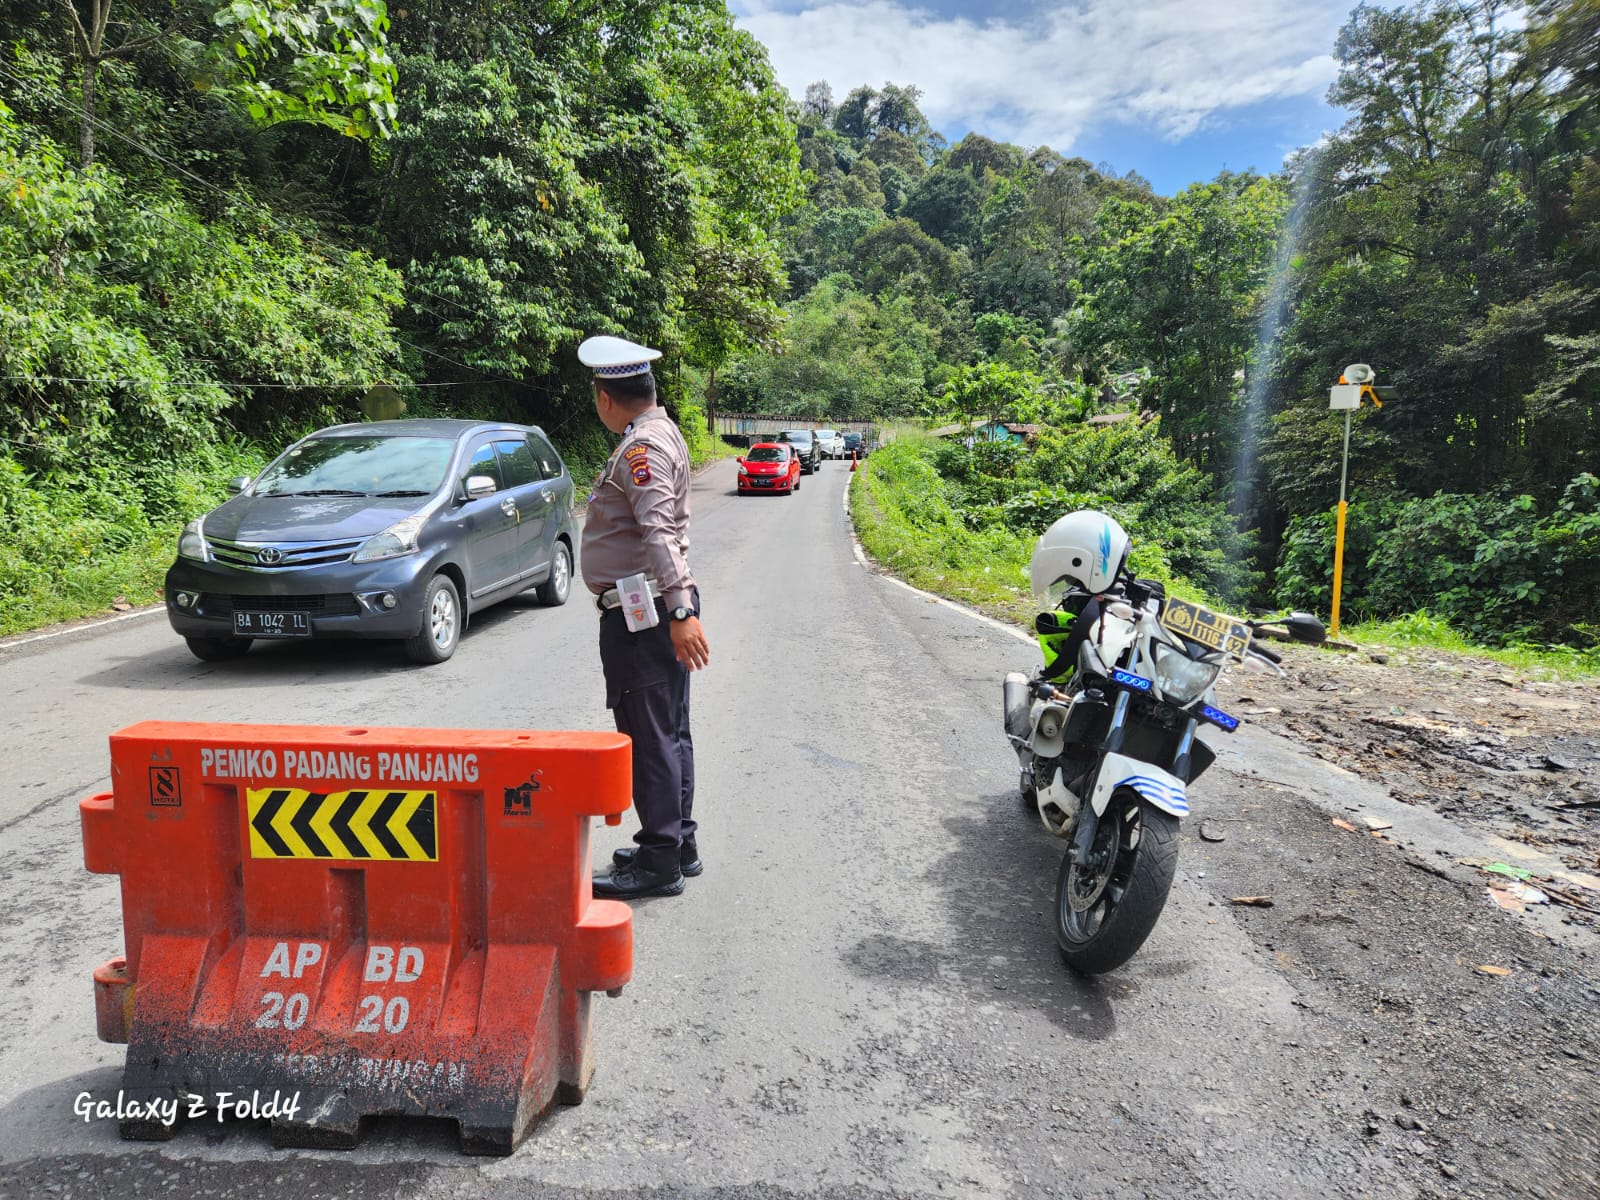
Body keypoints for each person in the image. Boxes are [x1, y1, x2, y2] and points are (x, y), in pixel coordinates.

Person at [578, 334, 710, 899]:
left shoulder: (641, 450)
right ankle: (676, 842)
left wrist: (679, 608)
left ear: (605, 398)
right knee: (670, 731)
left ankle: (660, 861)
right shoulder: (661, 432)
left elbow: (657, 532)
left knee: (651, 735)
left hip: (647, 611)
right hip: (657, 606)